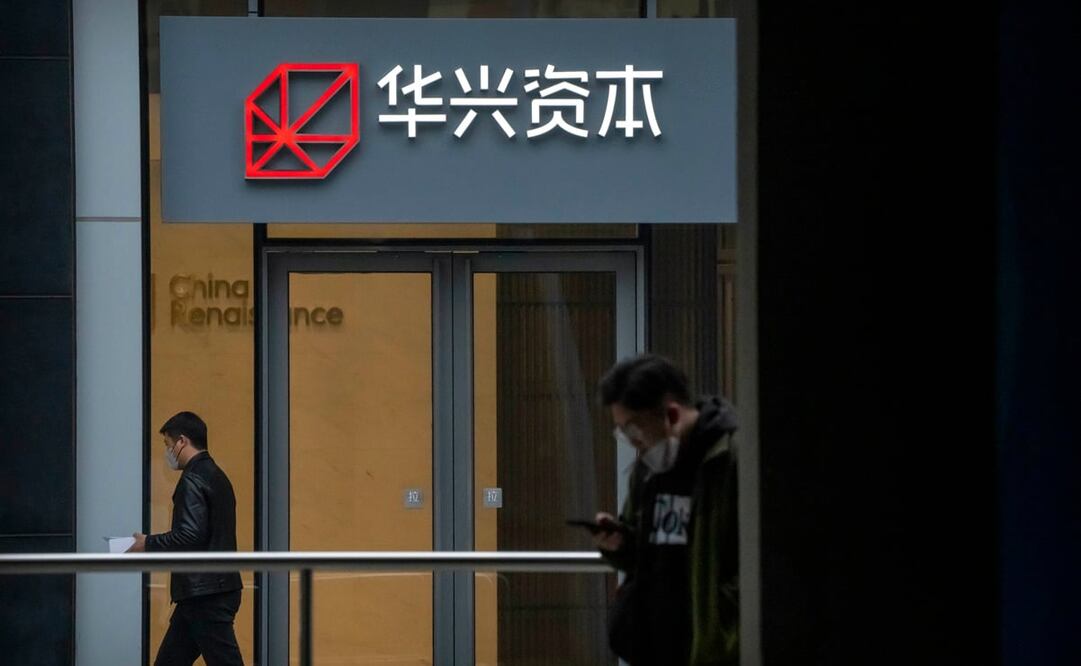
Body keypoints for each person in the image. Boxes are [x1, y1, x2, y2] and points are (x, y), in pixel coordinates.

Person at [594, 354, 739, 666]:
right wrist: (619, 544)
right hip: (654, 644)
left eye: (634, 430)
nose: (633, 443)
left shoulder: (730, 460)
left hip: (706, 647)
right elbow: (644, 551)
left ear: (672, 415)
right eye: (622, 432)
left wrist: (730, 627)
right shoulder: (649, 468)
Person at [127, 411, 245, 666]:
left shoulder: (192, 479)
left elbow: (189, 535)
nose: (167, 453)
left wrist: (146, 543)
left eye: (168, 445)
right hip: (207, 591)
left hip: (204, 593)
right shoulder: (216, 475)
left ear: (182, 441)